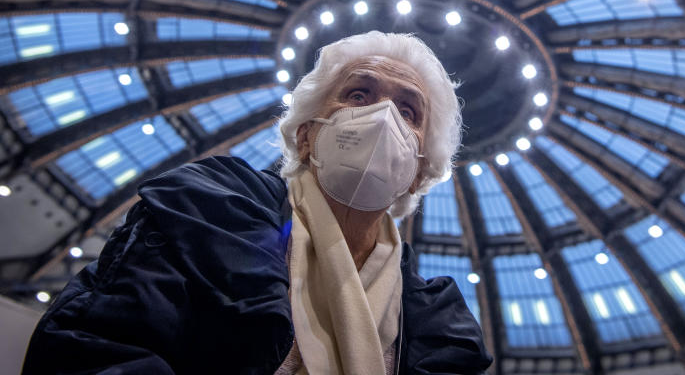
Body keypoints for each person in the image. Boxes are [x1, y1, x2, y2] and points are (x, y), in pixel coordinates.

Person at [22, 31, 493, 374]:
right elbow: (99, 350)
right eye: (358, 93)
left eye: (408, 111)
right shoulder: (207, 210)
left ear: (419, 171)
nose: (382, 115)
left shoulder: (437, 319)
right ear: (306, 135)